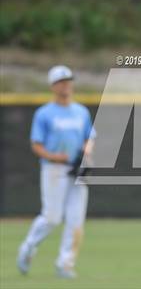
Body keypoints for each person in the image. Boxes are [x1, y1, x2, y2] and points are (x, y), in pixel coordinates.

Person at [17, 65, 95, 279]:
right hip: (54, 169)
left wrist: (86, 154)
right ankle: (28, 247)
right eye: (61, 81)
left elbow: (89, 137)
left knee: (75, 220)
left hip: (77, 169)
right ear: (53, 86)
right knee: (52, 217)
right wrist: (56, 156)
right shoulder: (44, 113)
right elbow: (36, 144)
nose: (66, 85)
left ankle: (65, 264)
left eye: (68, 80)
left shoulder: (80, 111)